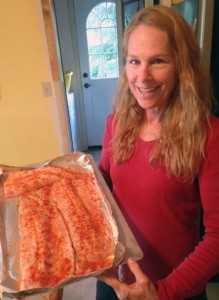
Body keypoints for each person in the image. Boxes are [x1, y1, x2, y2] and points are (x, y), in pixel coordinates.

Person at [96, 5, 219, 300]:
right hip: (114, 281)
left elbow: (217, 237)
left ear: (182, 65)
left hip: (172, 290)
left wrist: (161, 292)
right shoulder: (116, 122)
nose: (143, 76)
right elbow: (101, 190)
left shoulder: (209, 135)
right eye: (134, 61)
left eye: (158, 61)